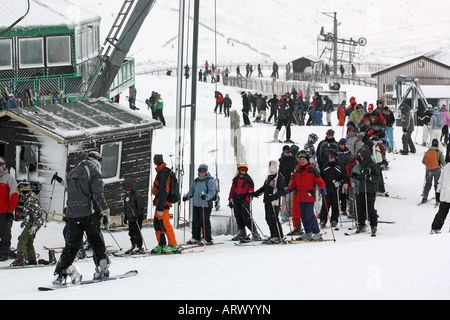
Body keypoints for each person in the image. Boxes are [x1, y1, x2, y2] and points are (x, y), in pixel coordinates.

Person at [53, 151, 111, 285]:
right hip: (88, 213)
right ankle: (102, 268)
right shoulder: (94, 173)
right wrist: (105, 211)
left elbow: (70, 191)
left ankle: (60, 273)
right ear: (96, 161)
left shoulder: (72, 172)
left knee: (71, 246)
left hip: (73, 215)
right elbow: (98, 194)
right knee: (96, 241)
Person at [285, 151, 327, 241]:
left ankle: (317, 233)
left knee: (310, 214)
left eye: (303, 159)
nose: (302, 161)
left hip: (309, 195)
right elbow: (294, 183)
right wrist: (288, 189)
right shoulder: (298, 170)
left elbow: (320, 181)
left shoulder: (312, 170)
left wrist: (322, 188)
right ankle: (308, 232)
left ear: (307, 160)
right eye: (300, 159)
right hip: (300, 195)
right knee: (303, 215)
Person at [250, 161, 285, 244]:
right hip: (267, 200)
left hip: (274, 202)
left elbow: (281, 190)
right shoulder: (269, 177)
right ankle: (273, 235)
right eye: (270, 167)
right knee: (268, 219)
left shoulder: (279, 177)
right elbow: (264, 188)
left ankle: (279, 235)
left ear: (277, 168)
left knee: (274, 218)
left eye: (273, 167)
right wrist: (255, 193)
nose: (271, 169)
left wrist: (275, 196)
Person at [11, 181, 45, 266]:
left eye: (19, 191)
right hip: (32, 222)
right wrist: (25, 222)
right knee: (29, 241)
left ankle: (21, 259)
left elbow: (37, 212)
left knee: (22, 239)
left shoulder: (31, 198)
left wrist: (35, 225)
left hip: (34, 223)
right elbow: (30, 212)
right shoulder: (29, 197)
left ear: (23, 190)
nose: (19, 194)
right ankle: (32, 260)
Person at [151, 154, 179, 253]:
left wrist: (160, 208)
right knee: (157, 224)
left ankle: (173, 245)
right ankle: (162, 243)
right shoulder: (162, 171)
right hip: (160, 203)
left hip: (163, 204)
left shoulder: (163, 173)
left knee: (165, 224)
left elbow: (164, 191)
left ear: (155, 162)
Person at [183, 163, 216, 245]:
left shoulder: (210, 181)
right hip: (196, 204)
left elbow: (212, 192)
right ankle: (196, 237)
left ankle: (207, 238)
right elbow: (192, 191)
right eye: (200, 170)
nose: (201, 172)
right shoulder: (196, 180)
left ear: (206, 171)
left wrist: (206, 196)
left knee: (204, 221)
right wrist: (187, 197)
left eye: (203, 170)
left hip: (206, 204)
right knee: (195, 221)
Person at [228, 163, 261, 242]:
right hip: (236, 201)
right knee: (238, 217)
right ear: (239, 170)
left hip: (244, 201)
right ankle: (242, 233)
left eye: (244, 170)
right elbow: (232, 190)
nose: (243, 171)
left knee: (247, 218)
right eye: (241, 169)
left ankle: (255, 233)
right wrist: (230, 199)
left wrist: (247, 201)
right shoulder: (235, 179)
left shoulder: (249, 180)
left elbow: (251, 192)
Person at [354, 147, 380, 235]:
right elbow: (361, 175)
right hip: (362, 189)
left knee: (370, 208)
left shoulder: (373, 165)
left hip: (370, 190)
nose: (360, 158)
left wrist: (369, 177)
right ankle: (361, 224)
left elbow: (377, 178)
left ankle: (373, 225)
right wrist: (357, 176)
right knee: (360, 207)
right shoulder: (362, 165)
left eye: (361, 156)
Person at [319, 151, 348, 228]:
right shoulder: (325, 166)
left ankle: (334, 220)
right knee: (325, 205)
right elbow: (321, 176)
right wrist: (321, 185)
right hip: (327, 188)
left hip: (336, 188)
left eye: (332, 157)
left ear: (335, 158)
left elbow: (344, 176)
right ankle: (323, 220)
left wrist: (341, 182)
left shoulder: (340, 166)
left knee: (335, 205)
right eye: (329, 157)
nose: (330, 159)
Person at [0, 157, 18, 261]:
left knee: (5, 234)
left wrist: (11, 209)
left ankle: (4, 254)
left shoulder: (9, 179)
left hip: (5, 212)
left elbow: (14, 195)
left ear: (3, 166)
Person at [122, 177, 146, 254]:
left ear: (131, 188)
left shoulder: (137, 196)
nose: (127, 192)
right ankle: (133, 244)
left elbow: (141, 207)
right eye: (125, 190)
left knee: (137, 232)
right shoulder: (126, 197)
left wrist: (138, 216)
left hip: (137, 218)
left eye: (128, 190)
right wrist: (125, 217)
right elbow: (126, 208)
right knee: (131, 232)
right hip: (130, 218)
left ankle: (139, 246)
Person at [421, 139, 445, 205]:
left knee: (428, 184)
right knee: (437, 184)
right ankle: (437, 199)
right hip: (437, 170)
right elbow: (443, 163)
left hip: (428, 170)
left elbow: (423, 161)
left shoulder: (427, 152)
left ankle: (424, 197)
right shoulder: (439, 152)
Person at [431, 161, 450, 233]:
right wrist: (438, 191)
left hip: (445, 195)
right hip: (445, 196)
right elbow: (441, 180)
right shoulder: (447, 166)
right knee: (441, 214)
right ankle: (435, 230)